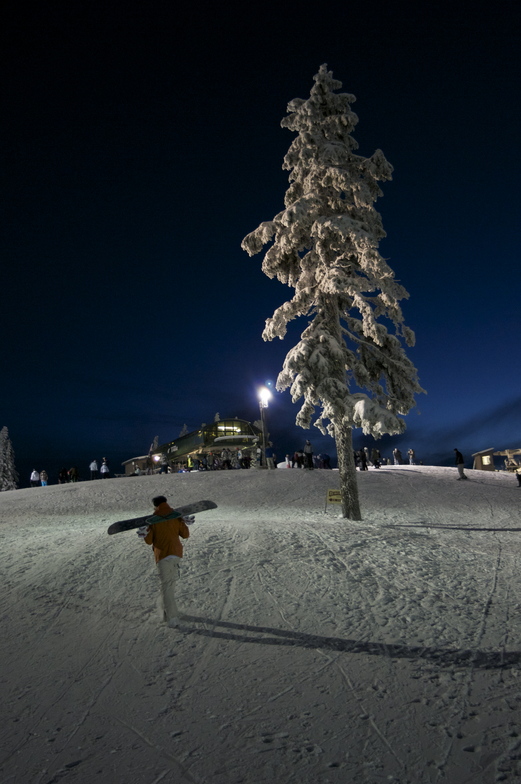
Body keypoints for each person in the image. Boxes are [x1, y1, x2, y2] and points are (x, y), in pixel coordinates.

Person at [139, 495, 191, 628]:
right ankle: (166, 612)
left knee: (167, 587)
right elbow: (185, 535)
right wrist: (182, 522)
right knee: (170, 585)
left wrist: (144, 533)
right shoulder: (175, 516)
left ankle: (172, 618)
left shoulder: (152, 520)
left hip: (163, 555)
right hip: (176, 554)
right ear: (166, 503)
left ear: (155, 506)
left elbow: (149, 541)